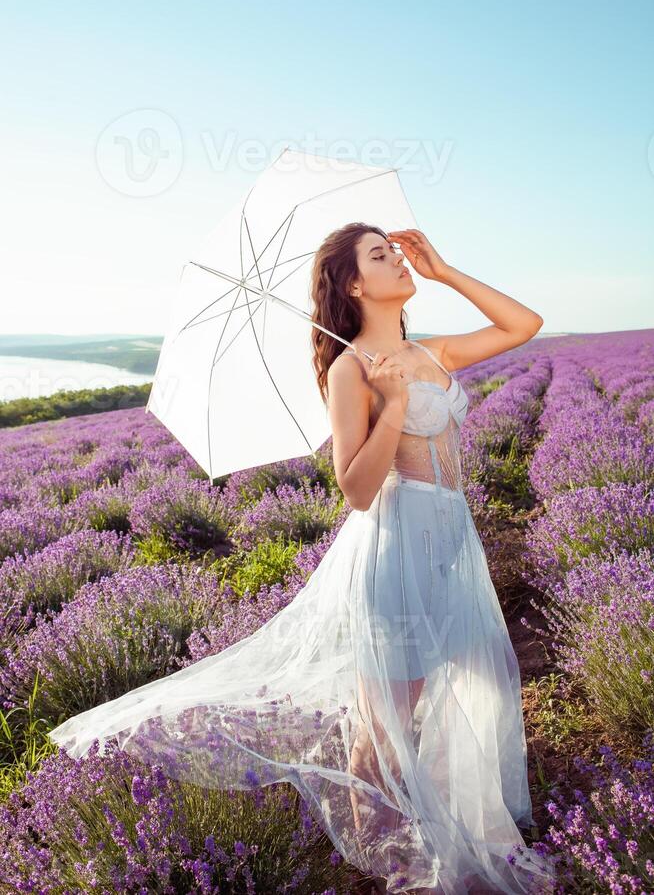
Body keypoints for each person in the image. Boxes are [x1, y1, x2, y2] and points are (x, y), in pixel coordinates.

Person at [48, 224, 557, 894]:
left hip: (452, 539)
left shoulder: (428, 350)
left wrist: (445, 271)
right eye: (382, 255)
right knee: (386, 721)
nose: (397, 258)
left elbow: (525, 324)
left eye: (396, 250)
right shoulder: (352, 370)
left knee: (461, 687)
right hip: (397, 544)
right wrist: (394, 402)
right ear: (353, 285)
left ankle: (449, 824)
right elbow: (357, 488)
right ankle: (383, 858)